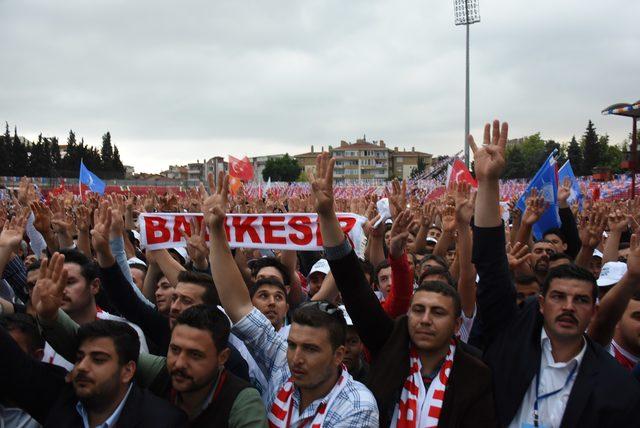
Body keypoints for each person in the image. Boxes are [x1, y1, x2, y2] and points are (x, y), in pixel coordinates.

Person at [470, 119, 640, 427]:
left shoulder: (617, 387)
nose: (568, 307)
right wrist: (488, 182)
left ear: (594, 309)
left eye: (580, 300)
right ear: (541, 302)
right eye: (558, 297)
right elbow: (490, 265)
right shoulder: (513, 339)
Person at [311, 152, 495, 427]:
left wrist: (464, 229)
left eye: (437, 312)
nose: (425, 319)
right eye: (418, 310)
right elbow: (353, 285)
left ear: (458, 324)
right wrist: (327, 215)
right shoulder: (390, 344)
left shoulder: (476, 374)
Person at [203, 171, 379, 427]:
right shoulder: (281, 360)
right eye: (294, 344)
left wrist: (328, 217)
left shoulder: (357, 405)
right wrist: (216, 231)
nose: (296, 357)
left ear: (338, 355)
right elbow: (238, 305)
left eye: (310, 349)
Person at [0, 253, 187, 427]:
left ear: (128, 370)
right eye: (79, 357)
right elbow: (12, 362)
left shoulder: (162, 421)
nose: (81, 367)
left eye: (98, 359)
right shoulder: (60, 402)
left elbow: (131, 302)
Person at [153, 305, 267, 427]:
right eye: (175, 350)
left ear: (222, 357)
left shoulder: (243, 402)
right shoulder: (159, 372)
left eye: (195, 355)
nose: (179, 363)